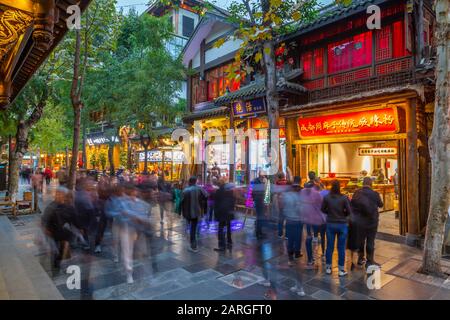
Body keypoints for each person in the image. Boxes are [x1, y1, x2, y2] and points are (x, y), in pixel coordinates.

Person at [351, 177, 384, 269]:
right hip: (371, 221)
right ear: (371, 184)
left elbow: (352, 204)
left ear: (363, 184)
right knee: (370, 241)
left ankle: (360, 258)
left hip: (359, 221)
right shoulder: (374, 194)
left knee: (361, 240)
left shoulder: (357, 193)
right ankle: (369, 261)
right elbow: (381, 204)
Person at [41, 187, 77, 270]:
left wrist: (78, 227)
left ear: (65, 196)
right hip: (52, 232)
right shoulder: (52, 206)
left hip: (62, 233)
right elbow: (44, 219)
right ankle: (55, 265)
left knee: (61, 249)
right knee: (55, 251)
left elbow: (74, 219)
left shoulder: (68, 207)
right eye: (57, 193)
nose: (58, 195)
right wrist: (45, 229)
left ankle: (60, 261)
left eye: (60, 194)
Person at [321, 180, 352, 276]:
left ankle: (328, 268)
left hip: (330, 224)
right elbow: (349, 211)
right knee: (341, 248)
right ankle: (341, 269)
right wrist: (343, 214)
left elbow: (322, 209)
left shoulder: (327, 197)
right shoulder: (344, 198)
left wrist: (329, 213)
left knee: (329, 246)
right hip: (342, 224)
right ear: (339, 187)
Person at [299, 182, 325, 268]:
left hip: (306, 219)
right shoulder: (317, 194)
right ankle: (313, 256)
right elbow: (322, 207)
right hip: (316, 219)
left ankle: (310, 259)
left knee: (309, 237)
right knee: (316, 237)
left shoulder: (301, 192)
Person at [181, 176, 208, 252]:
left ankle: (192, 243)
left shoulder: (185, 190)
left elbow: (181, 202)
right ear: (195, 181)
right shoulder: (199, 188)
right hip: (196, 211)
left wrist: (182, 212)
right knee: (193, 228)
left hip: (187, 212)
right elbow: (206, 196)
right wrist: (203, 208)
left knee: (190, 227)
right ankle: (193, 245)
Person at [213, 179, 235, 251]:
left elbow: (216, 203)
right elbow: (233, 201)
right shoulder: (230, 191)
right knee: (228, 227)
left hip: (222, 213)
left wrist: (216, 213)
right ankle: (229, 241)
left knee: (221, 228)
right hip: (229, 212)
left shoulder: (218, 192)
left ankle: (222, 246)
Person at [251, 171, 268, 239]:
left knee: (260, 216)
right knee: (259, 217)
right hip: (259, 201)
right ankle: (258, 233)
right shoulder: (257, 182)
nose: (264, 177)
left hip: (260, 201)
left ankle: (260, 232)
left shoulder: (258, 181)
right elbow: (255, 191)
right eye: (263, 176)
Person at [275, 172, 289, 239]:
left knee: (281, 219)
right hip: (286, 203)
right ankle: (286, 235)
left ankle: (280, 234)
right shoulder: (287, 183)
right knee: (287, 220)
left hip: (280, 203)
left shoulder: (277, 183)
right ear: (284, 176)